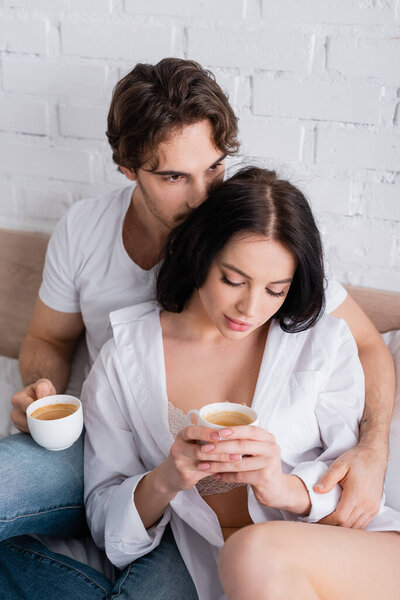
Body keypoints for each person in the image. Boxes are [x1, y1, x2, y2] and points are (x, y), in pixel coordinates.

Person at [0, 58, 394, 589]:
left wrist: (373, 449)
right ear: (127, 168)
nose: (203, 196)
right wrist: (37, 391)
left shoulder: (251, 241)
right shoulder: (86, 234)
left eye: (213, 168)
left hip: (209, 508)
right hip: (109, 450)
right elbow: (47, 337)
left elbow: (366, 344)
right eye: (173, 176)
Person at [82, 167, 400, 600]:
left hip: (352, 558)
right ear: (200, 254)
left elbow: (352, 501)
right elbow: (104, 519)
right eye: (233, 280)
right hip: (222, 572)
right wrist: (166, 478)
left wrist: (282, 487)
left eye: (275, 290)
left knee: (251, 551)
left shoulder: (320, 344)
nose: (250, 308)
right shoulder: (125, 357)